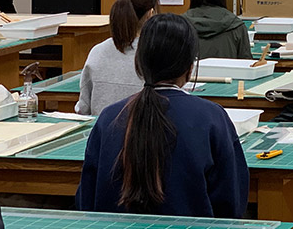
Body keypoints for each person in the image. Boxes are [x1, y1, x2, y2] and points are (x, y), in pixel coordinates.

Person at [76, 13, 249, 217]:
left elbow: (86, 202)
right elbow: (231, 203)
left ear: (138, 64)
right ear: (190, 67)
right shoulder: (211, 118)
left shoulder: (110, 118)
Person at [76, 0, 159, 115]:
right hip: (147, 133)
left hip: (103, 133)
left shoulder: (97, 52)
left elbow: (83, 108)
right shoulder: (159, 52)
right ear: (150, 13)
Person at [183, 0, 251, 59]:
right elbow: (246, 64)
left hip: (194, 73)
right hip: (228, 73)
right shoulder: (236, 25)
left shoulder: (180, 26)